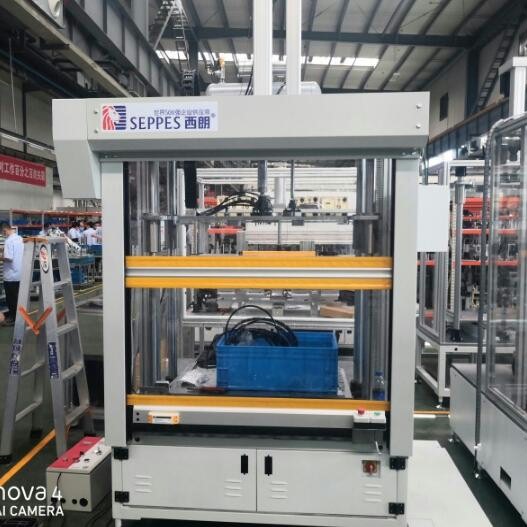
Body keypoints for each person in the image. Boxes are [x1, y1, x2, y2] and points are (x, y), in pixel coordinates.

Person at [1, 223, 24, 326]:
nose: (3, 234)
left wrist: (1, 257)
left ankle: (13, 318)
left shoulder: (8, 241)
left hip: (10, 276)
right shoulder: (19, 238)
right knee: (18, 298)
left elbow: (8, 258)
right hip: (19, 273)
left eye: (2, 233)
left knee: (11, 299)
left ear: (4, 230)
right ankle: (20, 317)